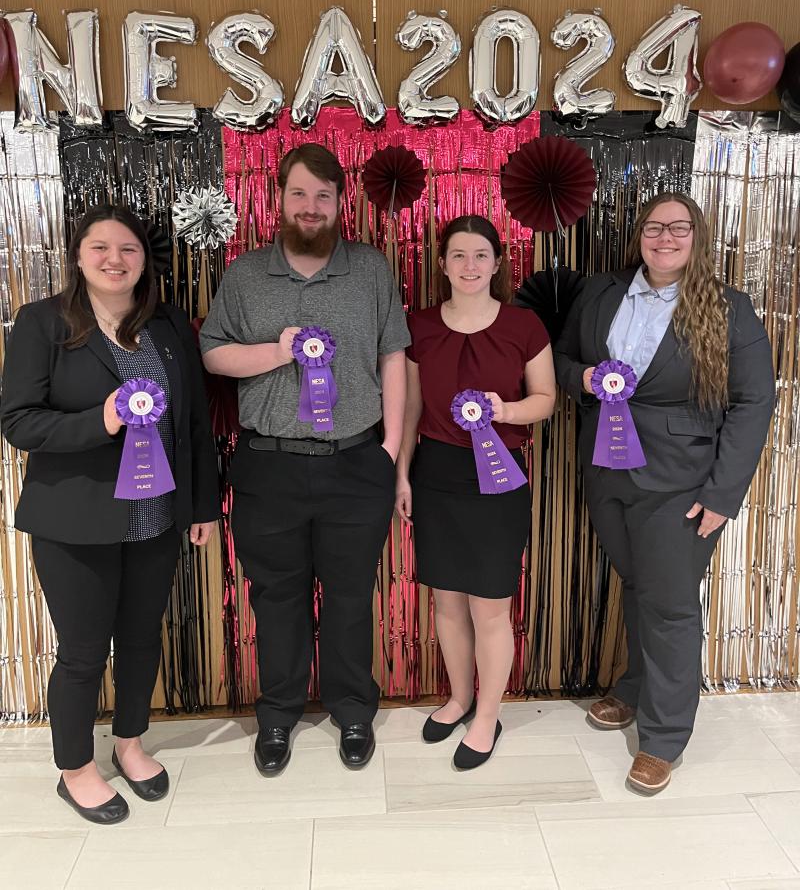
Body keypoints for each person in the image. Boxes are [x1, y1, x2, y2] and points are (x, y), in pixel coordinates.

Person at [0, 204, 219, 825]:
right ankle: (75, 768)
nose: (114, 260)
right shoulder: (42, 322)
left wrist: (200, 505)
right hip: (75, 523)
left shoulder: (170, 324)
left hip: (156, 517)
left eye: (127, 249)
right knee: (83, 651)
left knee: (143, 639)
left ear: (144, 260)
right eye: (100, 248)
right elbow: (17, 422)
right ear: (77, 255)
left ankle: (129, 742)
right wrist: (102, 420)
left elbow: (196, 424)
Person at [554, 192, 775, 794]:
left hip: (681, 481)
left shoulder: (729, 309)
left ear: (697, 237)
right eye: (655, 227)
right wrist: (585, 380)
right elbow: (562, 360)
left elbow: (756, 402)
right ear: (639, 235)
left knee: (672, 603)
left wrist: (724, 494)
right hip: (606, 470)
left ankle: (665, 737)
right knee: (639, 586)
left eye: (679, 228)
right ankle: (633, 687)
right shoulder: (603, 292)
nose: (666, 237)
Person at [200, 143, 409, 775]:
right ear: (279, 198)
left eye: (323, 196)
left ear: (340, 202)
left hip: (356, 463)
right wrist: (278, 352)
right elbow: (213, 354)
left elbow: (393, 358)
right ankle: (279, 714)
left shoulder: (371, 270)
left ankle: (352, 712)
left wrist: (390, 451)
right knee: (277, 597)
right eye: (299, 194)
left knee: (350, 596)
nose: (311, 207)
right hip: (270, 466)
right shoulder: (244, 274)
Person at [396, 215, 555, 769]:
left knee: (490, 605)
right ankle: (459, 697)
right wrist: (402, 475)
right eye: (458, 255)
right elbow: (411, 408)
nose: (469, 265)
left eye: (480, 255)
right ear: (441, 263)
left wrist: (503, 410)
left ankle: (487, 712)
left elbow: (546, 399)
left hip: (500, 473)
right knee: (446, 600)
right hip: (437, 475)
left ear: (497, 263)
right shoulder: (417, 326)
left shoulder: (524, 326)